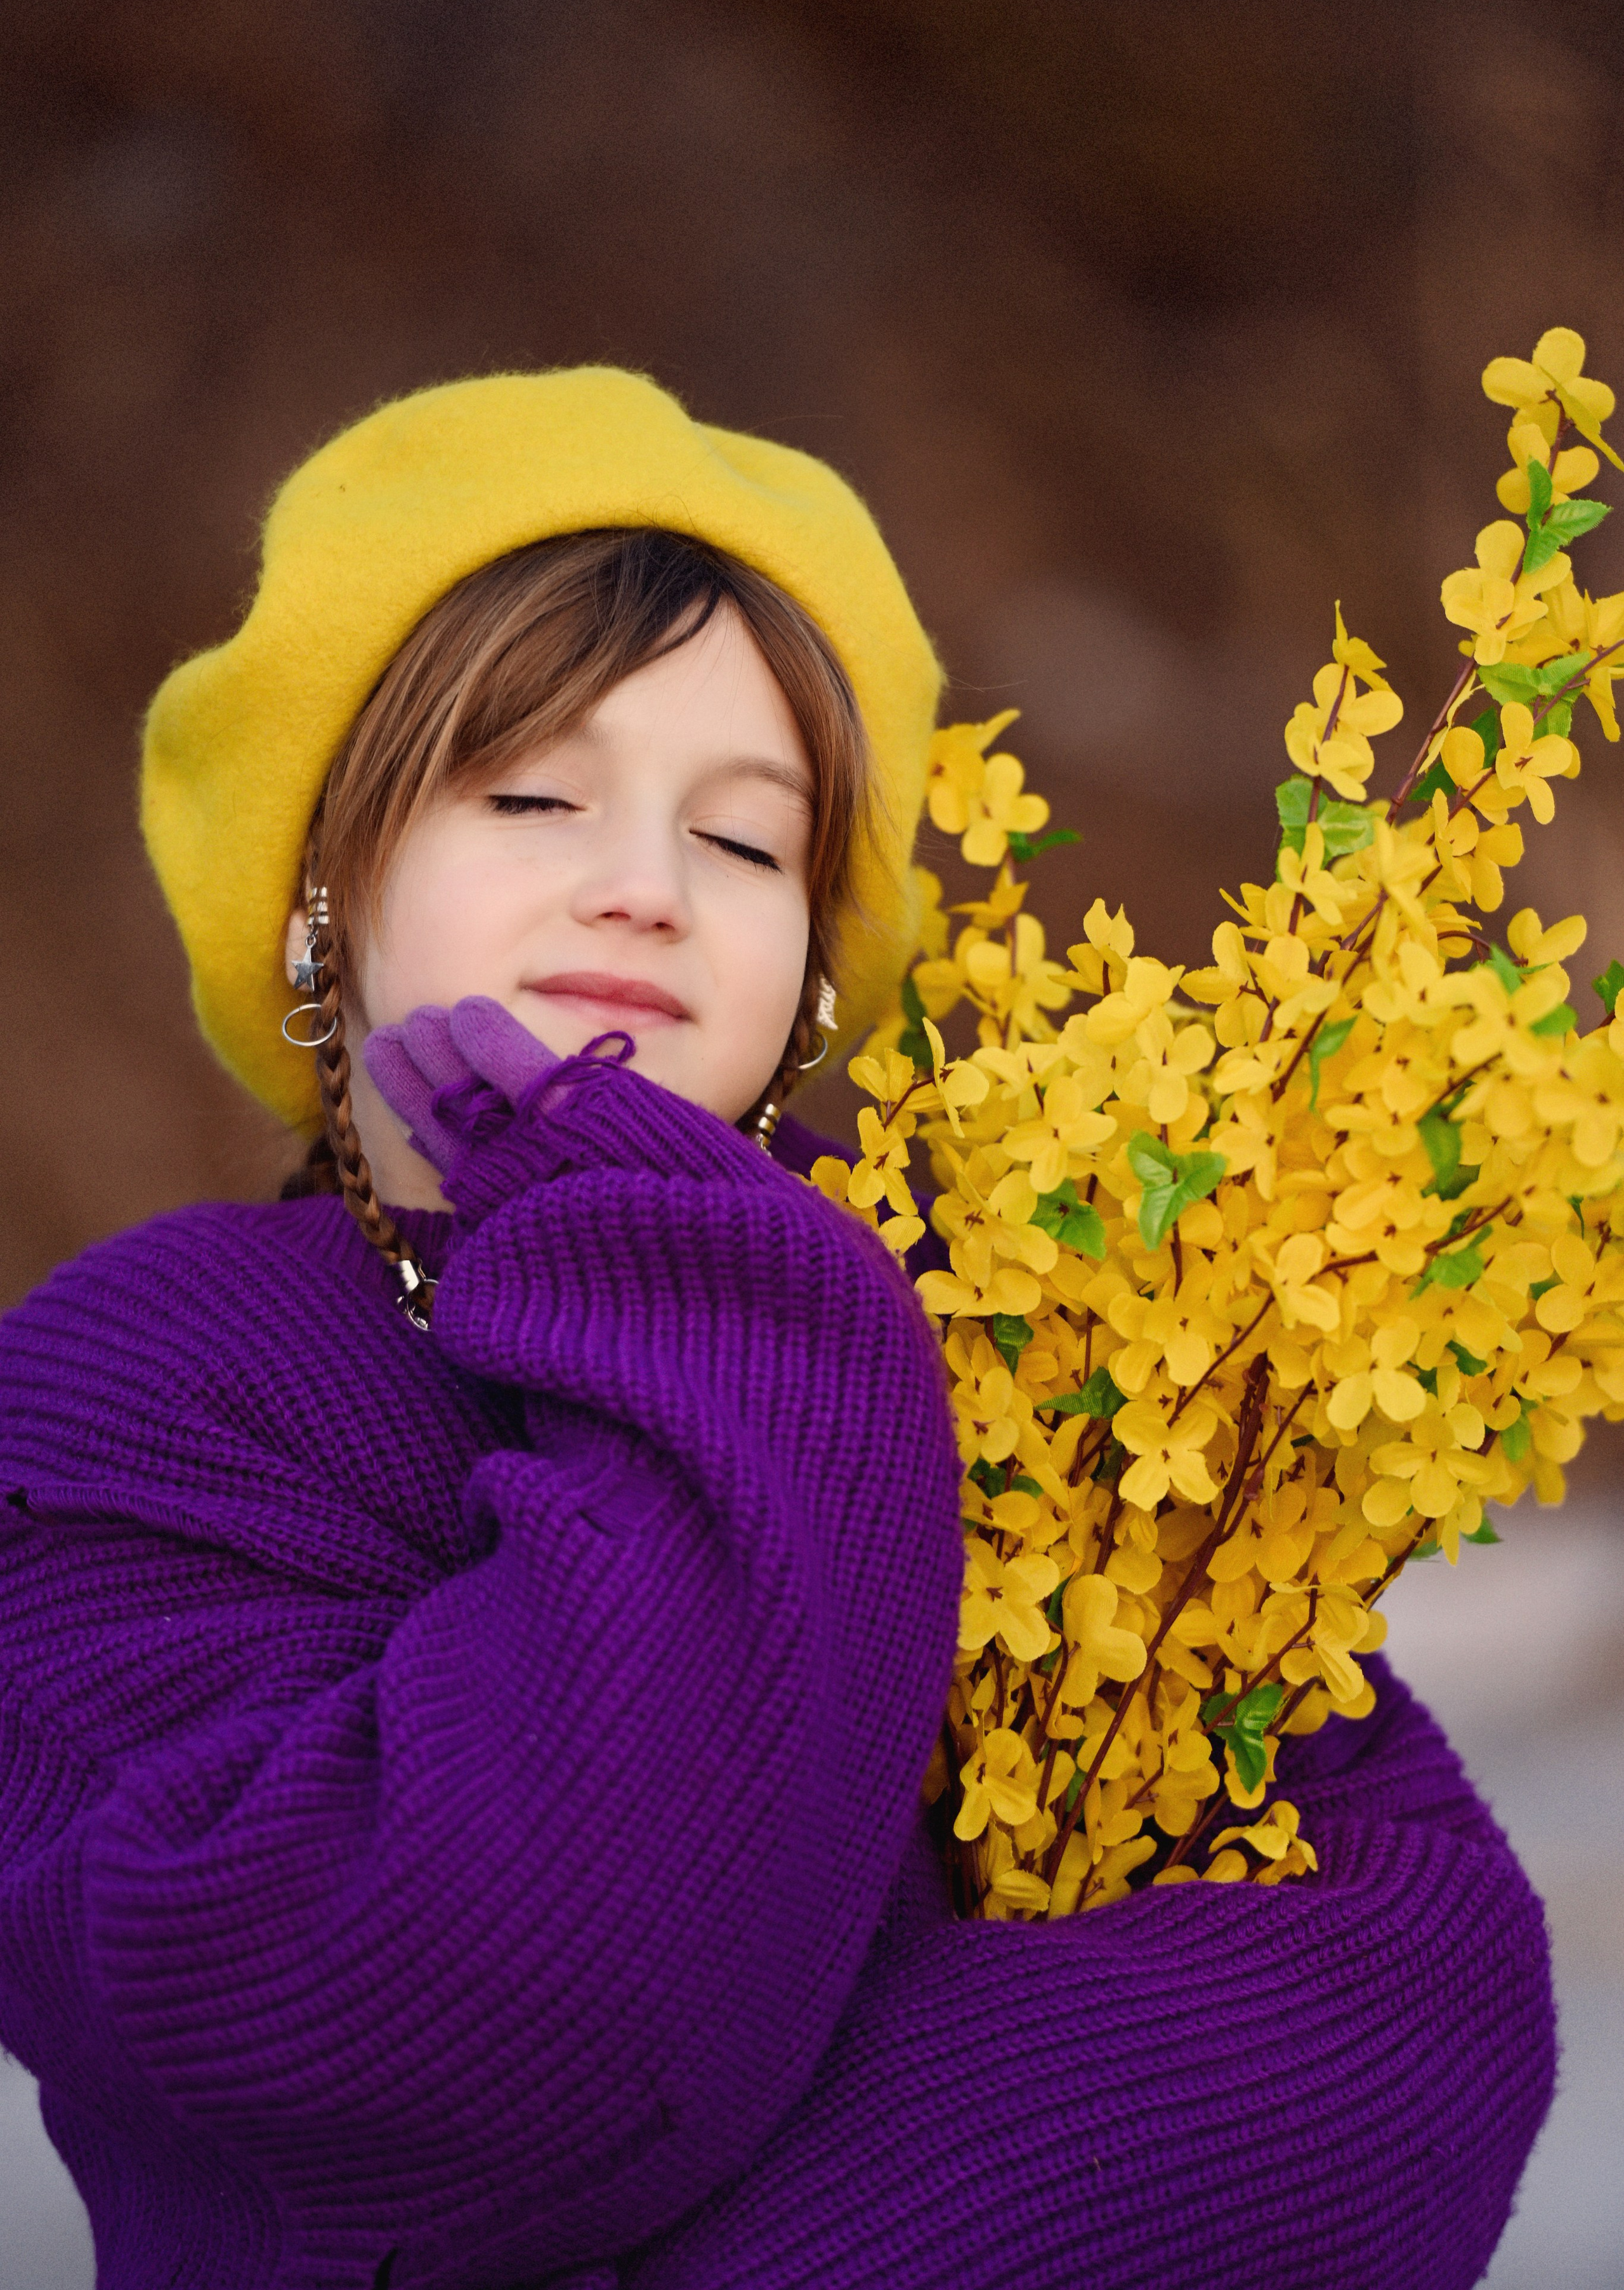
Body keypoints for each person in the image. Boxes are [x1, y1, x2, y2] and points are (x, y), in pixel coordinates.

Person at [0, 369, 1554, 2290]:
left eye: (748, 844)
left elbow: (1410, 2003)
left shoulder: (1014, 1325)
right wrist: (722, 1315)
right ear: (323, 888)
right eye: (535, 791)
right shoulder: (137, 1395)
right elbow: (467, 2031)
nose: (643, 886)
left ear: (819, 971)